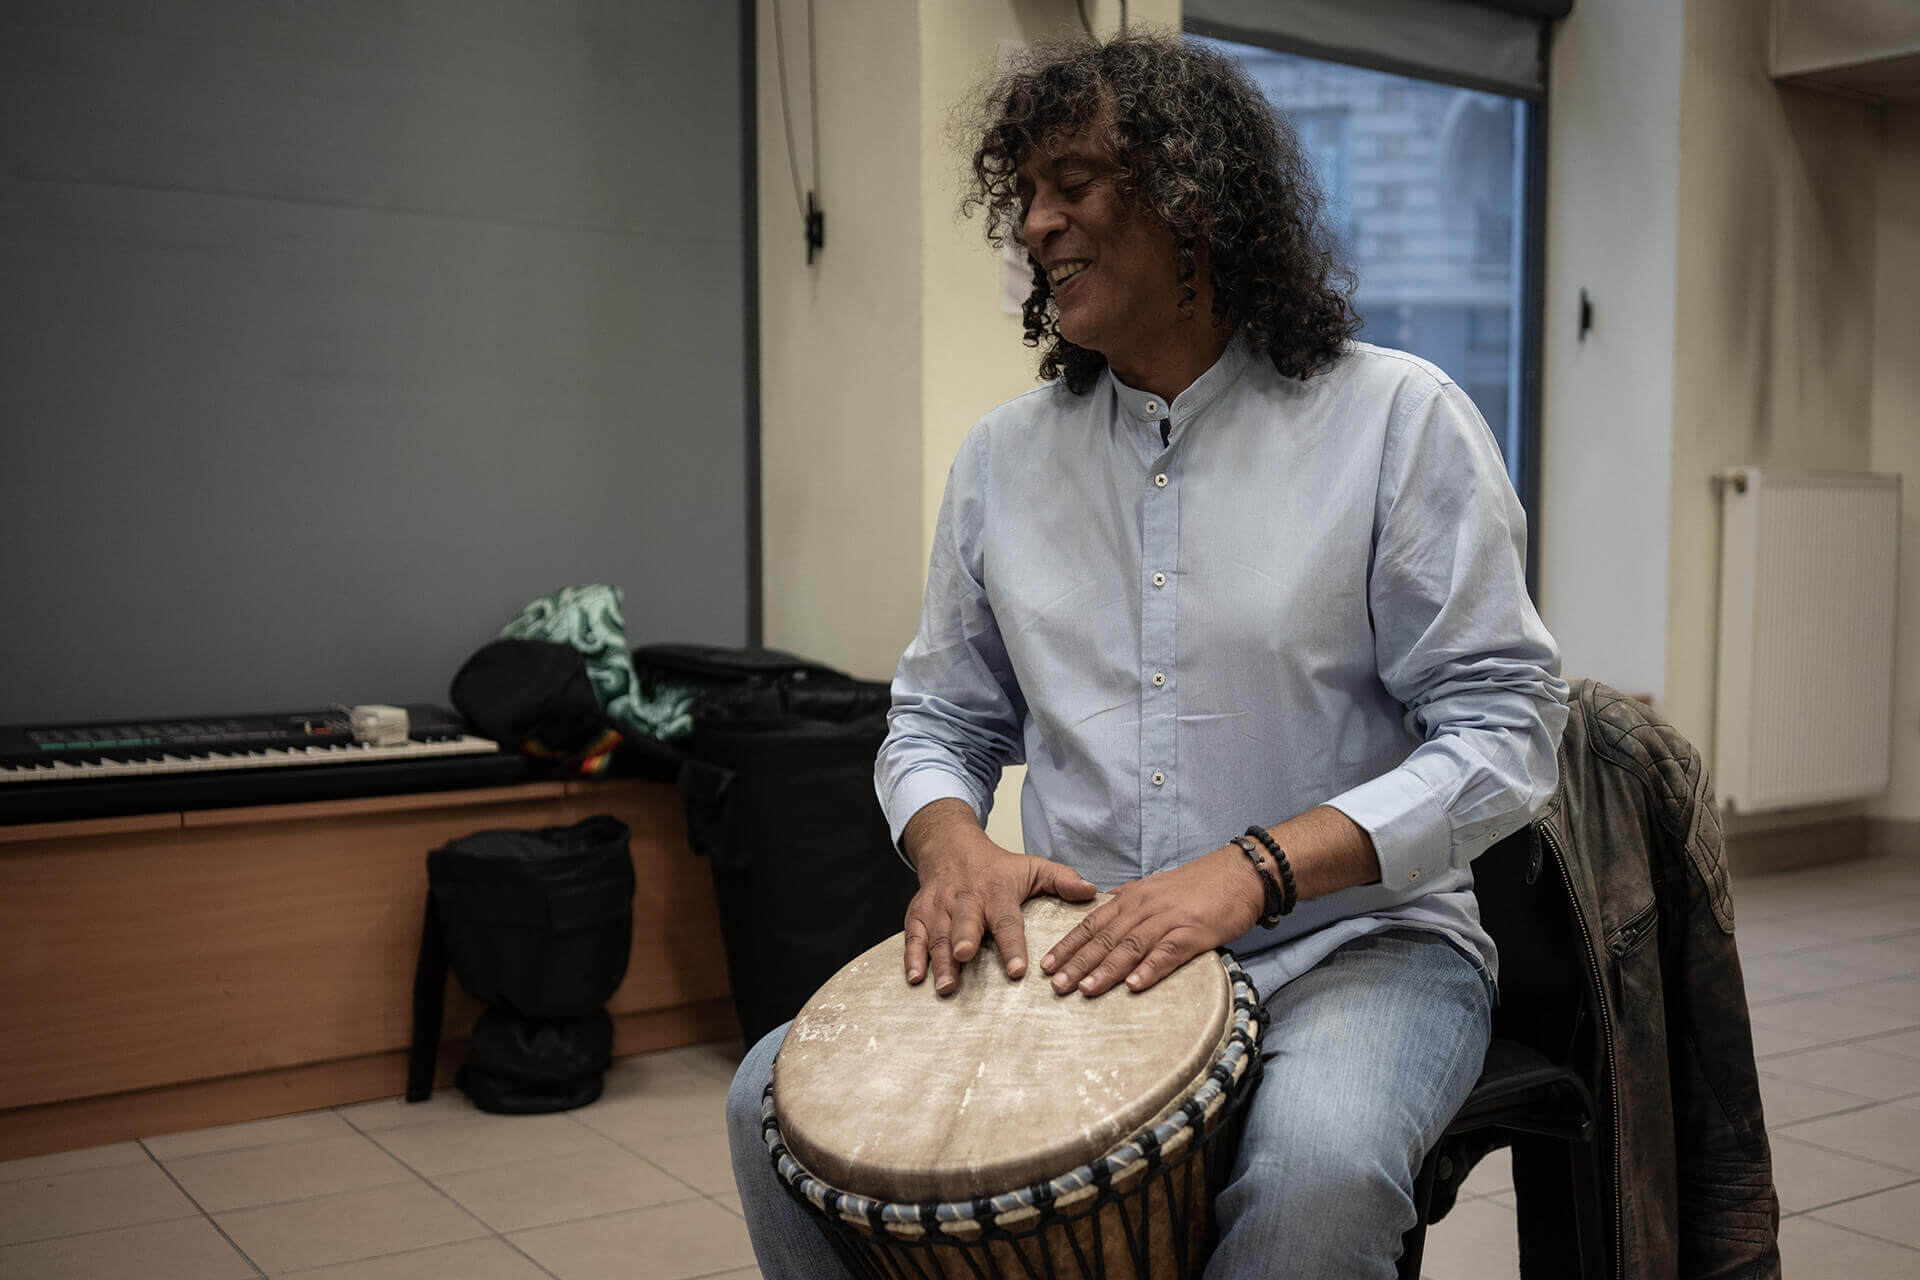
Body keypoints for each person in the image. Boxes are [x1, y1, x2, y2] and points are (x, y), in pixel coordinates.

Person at [727, 32, 1569, 1279]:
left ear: (1194, 200)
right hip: (1093, 952)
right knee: (769, 1107)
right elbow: (938, 721)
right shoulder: (1003, 463)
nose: (1037, 223)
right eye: (1022, 194)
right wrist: (955, 846)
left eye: (1073, 181)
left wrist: (1257, 869)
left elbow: (1508, 731)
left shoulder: (1395, 421)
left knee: (1318, 1175)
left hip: (1355, 946)